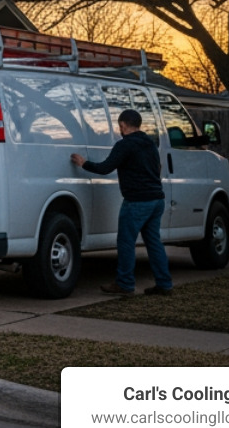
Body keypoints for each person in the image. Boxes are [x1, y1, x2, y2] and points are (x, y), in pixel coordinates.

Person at [70, 108, 173, 296]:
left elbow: (105, 168)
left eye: (120, 127)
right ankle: (164, 283)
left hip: (136, 202)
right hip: (157, 200)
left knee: (126, 242)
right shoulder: (150, 143)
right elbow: (158, 167)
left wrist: (84, 163)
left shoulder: (125, 145)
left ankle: (125, 283)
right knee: (154, 242)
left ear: (123, 125)